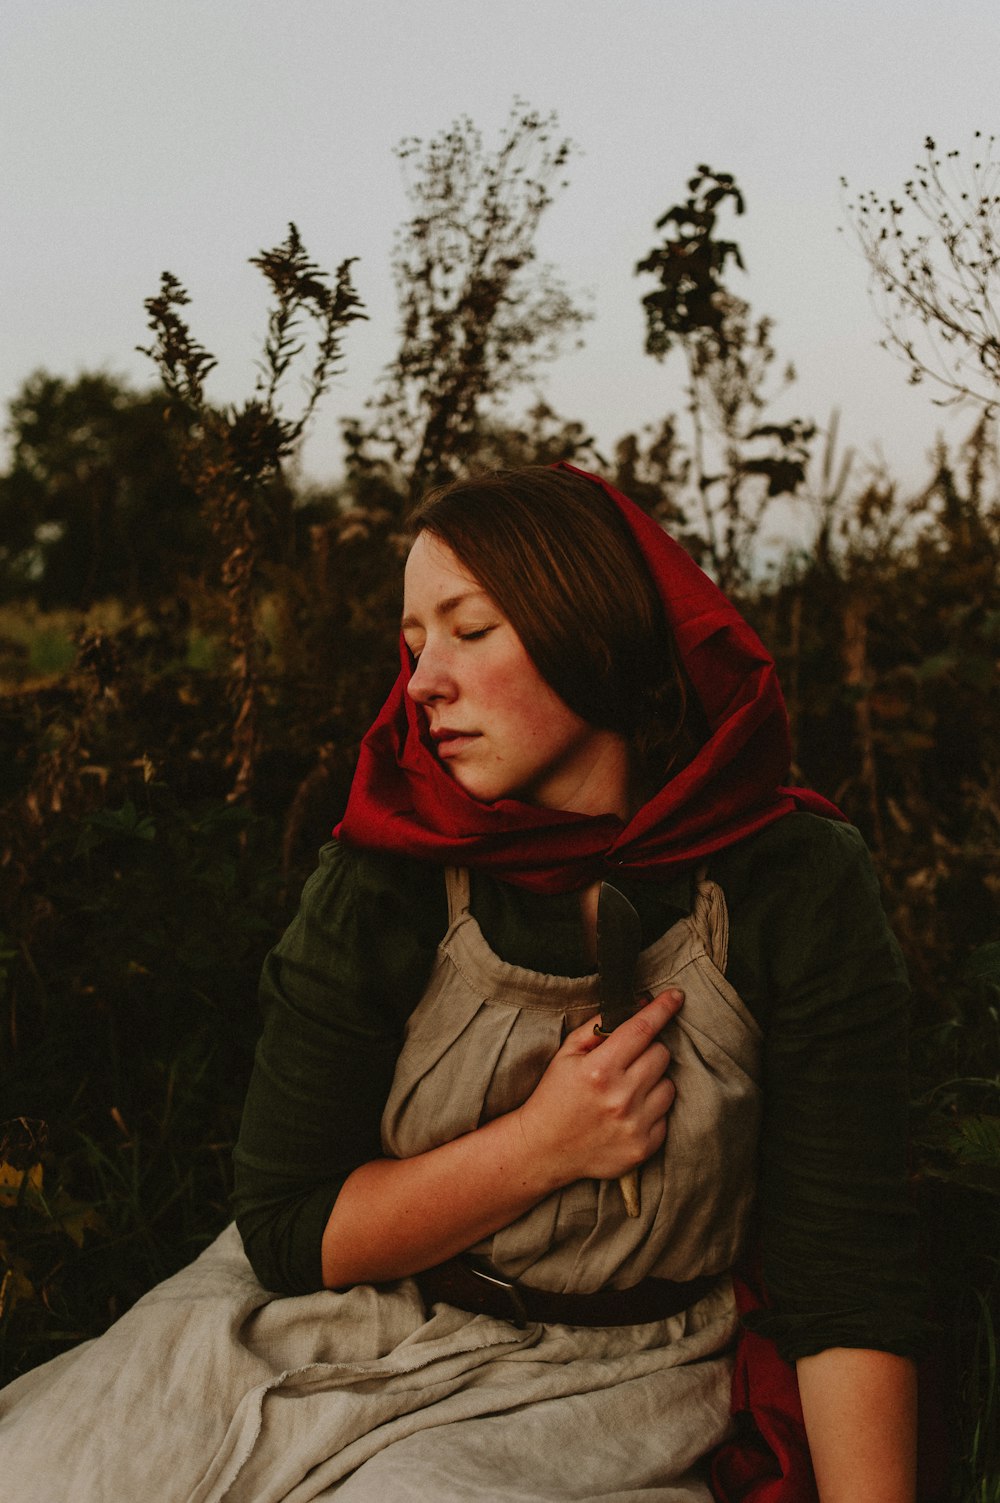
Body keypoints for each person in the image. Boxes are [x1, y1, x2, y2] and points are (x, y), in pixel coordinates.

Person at [0, 464, 925, 1502]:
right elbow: (289, 1227)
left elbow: (846, 1278)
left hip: (608, 1373)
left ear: (591, 624)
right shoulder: (384, 871)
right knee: (45, 1474)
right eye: (411, 645)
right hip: (328, 1319)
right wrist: (543, 1146)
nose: (423, 682)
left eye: (468, 630)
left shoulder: (785, 876)